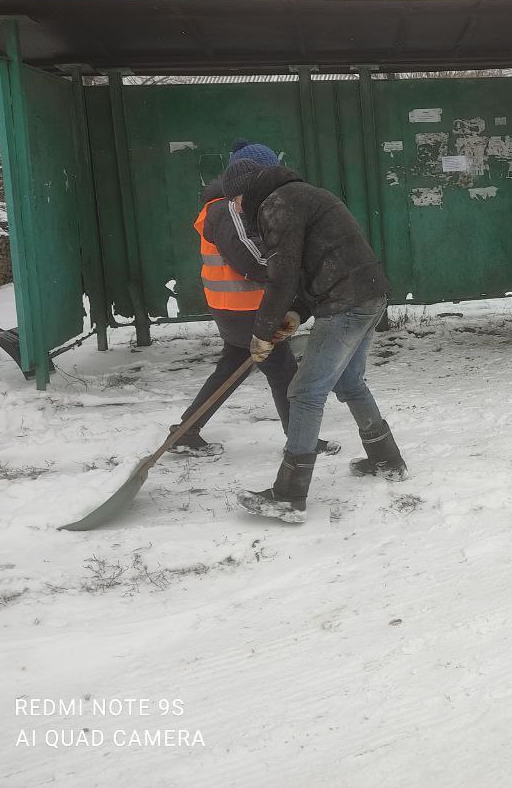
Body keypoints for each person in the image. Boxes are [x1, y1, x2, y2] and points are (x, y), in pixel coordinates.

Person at [223, 159, 407, 524]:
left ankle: (289, 495)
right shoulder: (302, 195)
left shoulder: (276, 205)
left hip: (345, 302)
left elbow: (283, 275)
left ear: (246, 192)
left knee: (305, 393)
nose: (236, 210)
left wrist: (262, 331)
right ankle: (386, 459)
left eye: (235, 201)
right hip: (369, 293)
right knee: (349, 380)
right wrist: (296, 313)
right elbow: (316, 263)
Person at [171, 142, 336, 455]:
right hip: (245, 306)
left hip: (235, 306)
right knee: (284, 372)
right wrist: (289, 274)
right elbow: (248, 258)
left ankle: (186, 430)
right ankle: (302, 441)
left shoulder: (229, 207)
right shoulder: (226, 209)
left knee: (233, 366)